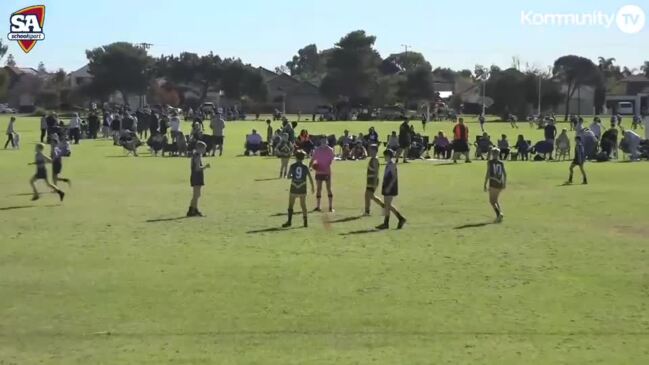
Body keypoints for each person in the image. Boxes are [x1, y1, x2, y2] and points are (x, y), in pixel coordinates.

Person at [282, 150, 314, 228]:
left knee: (290, 205)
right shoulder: (305, 167)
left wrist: (294, 177)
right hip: (302, 187)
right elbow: (310, 178)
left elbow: (288, 176)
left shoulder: (292, 166)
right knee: (303, 205)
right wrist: (313, 187)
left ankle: (289, 221)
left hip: (294, 186)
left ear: (296, 157)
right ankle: (305, 222)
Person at [376, 149, 406, 230]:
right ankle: (396, 220)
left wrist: (389, 186)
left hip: (390, 187)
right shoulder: (389, 164)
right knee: (387, 205)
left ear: (388, 156)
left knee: (387, 205)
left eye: (385, 156)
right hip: (387, 186)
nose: (384, 158)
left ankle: (396, 220)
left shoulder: (392, 164)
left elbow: (394, 177)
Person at [310, 137, 335, 212]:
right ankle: (318, 206)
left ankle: (330, 207)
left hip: (326, 172)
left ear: (327, 141)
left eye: (325, 141)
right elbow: (313, 159)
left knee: (328, 189)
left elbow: (331, 161)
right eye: (322, 141)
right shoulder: (317, 150)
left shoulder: (330, 150)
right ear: (320, 142)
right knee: (319, 189)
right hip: (319, 172)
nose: (323, 142)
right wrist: (311, 166)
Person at [187, 141, 210, 217]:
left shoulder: (194, 155)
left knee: (196, 194)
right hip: (197, 176)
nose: (205, 150)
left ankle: (192, 209)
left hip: (195, 176)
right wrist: (205, 167)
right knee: (196, 195)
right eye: (204, 149)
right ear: (200, 148)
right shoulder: (197, 156)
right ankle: (194, 210)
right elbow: (197, 168)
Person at [483, 148, 506, 223]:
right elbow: (504, 174)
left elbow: (488, 173)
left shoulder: (490, 162)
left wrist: (485, 183)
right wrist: (504, 183)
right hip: (500, 182)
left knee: (491, 201)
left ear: (492, 154)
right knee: (495, 200)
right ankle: (499, 215)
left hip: (493, 182)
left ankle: (499, 214)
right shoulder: (501, 163)